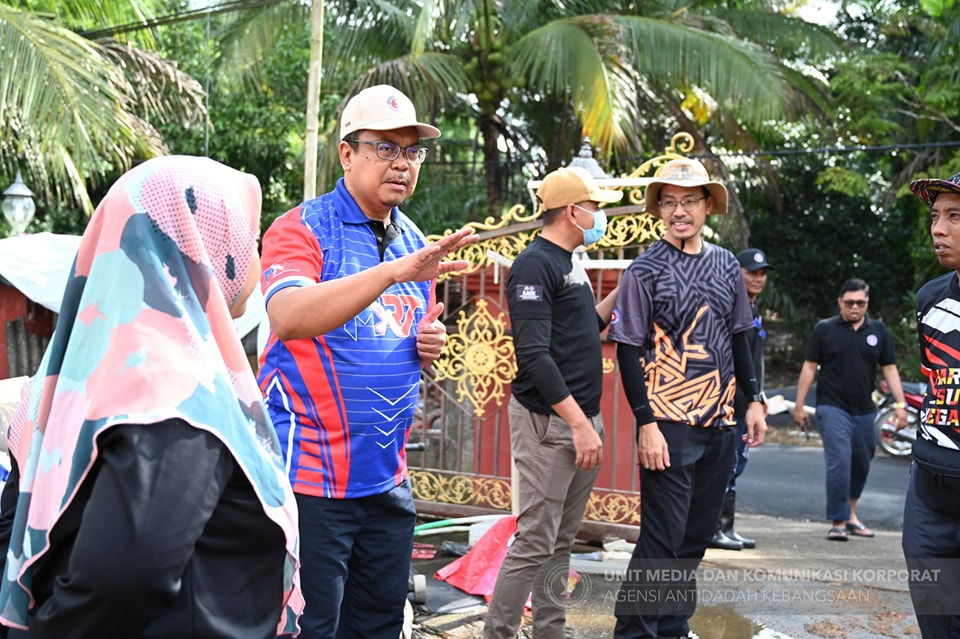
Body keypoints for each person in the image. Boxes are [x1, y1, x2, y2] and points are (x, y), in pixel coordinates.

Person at [0, 155, 303, 638]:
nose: (256, 259)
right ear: (204, 242)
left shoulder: (75, 378)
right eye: (250, 238)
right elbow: (125, 581)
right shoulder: (176, 395)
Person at [256, 84, 477, 639]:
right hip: (309, 479)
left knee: (378, 625)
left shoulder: (414, 240)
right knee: (308, 626)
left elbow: (403, 334)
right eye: (385, 147)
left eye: (412, 151)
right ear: (347, 153)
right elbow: (288, 315)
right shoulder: (303, 227)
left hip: (386, 479)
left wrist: (428, 344)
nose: (401, 164)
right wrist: (391, 274)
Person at [609, 157, 768, 639]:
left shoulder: (726, 264)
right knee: (662, 537)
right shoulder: (644, 270)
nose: (680, 211)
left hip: (720, 422)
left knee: (697, 535)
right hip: (668, 421)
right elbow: (628, 347)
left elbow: (740, 336)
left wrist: (754, 401)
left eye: (690, 201)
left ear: (707, 207)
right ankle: (635, 633)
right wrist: (646, 424)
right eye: (670, 202)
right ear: (660, 210)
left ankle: (673, 627)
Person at [483, 166, 622, 639]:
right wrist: (581, 425)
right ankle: (497, 633)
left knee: (561, 541)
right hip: (551, 426)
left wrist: (622, 296)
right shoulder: (535, 265)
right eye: (595, 208)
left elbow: (584, 331)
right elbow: (535, 357)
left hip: (580, 423)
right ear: (572, 211)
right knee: (535, 541)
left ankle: (549, 632)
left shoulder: (570, 262)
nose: (599, 216)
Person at [792, 278, 907, 541]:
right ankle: (838, 521)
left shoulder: (878, 331)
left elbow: (889, 368)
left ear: (867, 302)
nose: (855, 307)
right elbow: (809, 367)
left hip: (864, 409)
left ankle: (851, 514)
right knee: (840, 462)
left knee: (861, 462)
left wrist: (901, 405)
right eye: (849, 302)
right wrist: (799, 406)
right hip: (832, 407)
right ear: (839, 302)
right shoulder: (824, 329)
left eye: (861, 303)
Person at [903, 171, 960, 638]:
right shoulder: (929, 299)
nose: (938, 229)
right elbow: (935, 382)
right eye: (936, 216)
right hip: (928, 494)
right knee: (935, 619)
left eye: (955, 216)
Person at [709, 248, 773, 551]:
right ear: (737, 273)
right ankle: (713, 530)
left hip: (749, 403)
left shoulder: (753, 309)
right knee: (726, 466)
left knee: (736, 466)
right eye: (752, 272)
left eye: (762, 273)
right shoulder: (730, 310)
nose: (758, 279)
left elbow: (753, 361)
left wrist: (759, 397)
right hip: (730, 404)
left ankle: (726, 528)